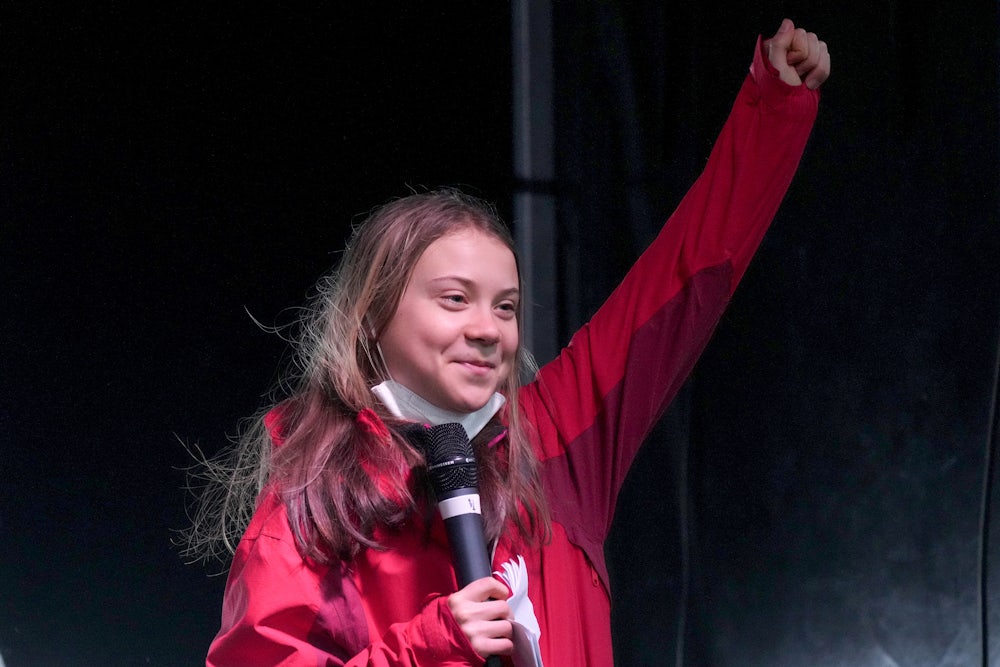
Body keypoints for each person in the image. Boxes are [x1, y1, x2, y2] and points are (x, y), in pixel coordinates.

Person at [190, 17, 830, 667]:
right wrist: (426, 648)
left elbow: (686, 276)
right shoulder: (317, 492)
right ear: (372, 318)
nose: (487, 327)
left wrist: (771, 107)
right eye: (454, 298)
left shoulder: (558, 440)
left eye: (506, 306)